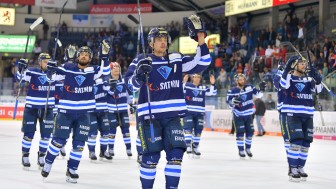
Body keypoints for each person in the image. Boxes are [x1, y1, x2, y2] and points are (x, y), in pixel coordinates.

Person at [124, 15, 210, 189]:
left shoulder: (176, 58)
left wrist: (200, 39)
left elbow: (202, 62)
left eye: (165, 39)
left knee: (176, 156)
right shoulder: (141, 60)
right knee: (150, 159)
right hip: (150, 117)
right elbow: (129, 86)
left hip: (173, 116)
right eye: (158, 39)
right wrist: (139, 75)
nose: (163, 42)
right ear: (150, 43)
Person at [41, 40, 110, 183]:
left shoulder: (93, 71)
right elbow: (51, 78)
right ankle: (48, 162)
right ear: (77, 56)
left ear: (90, 58)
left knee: (79, 145)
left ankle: (72, 169)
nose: (84, 56)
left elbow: (106, 71)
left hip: (84, 114)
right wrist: (50, 70)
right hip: (65, 113)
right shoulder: (68, 67)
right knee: (58, 141)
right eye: (82, 54)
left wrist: (105, 56)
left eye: (87, 55)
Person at [280, 56, 323, 182]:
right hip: (293, 114)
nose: (304, 65)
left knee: (306, 143)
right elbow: (283, 84)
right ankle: (292, 168)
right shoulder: (289, 77)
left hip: (308, 115)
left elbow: (318, 90)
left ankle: (300, 167)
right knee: (296, 141)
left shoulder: (309, 79)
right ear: (294, 65)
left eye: (305, 63)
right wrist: (287, 68)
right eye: (301, 63)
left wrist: (318, 80)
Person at [17, 53, 55, 170]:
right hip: (31, 108)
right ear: (39, 62)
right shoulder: (33, 71)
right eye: (44, 61)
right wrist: (21, 68)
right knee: (28, 134)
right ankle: (25, 155)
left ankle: (41, 156)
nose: (47, 63)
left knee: (46, 136)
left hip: (47, 109)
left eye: (48, 61)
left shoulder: (55, 73)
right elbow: (21, 77)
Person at [226, 73, 265, 158]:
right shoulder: (232, 91)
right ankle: (241, 150)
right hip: (238, 115)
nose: (242, 81)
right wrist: (232, 102)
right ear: (236, 81)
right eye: (240, 80)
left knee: (250, 132)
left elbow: (259, 95)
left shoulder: (249, 87)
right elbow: (228, 103)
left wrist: (262, 89)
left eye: (243, 79)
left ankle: (248, 148)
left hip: (249, 115)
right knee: (240, 133)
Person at [182, 73, 217, 157]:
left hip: (200, 113)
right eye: (195, 77)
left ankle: (195, 146)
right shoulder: (187, 85)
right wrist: (183, 82)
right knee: (188, 128)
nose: (197, 79)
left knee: (198, 130)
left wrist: (213, 84)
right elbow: (180, 91)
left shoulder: (203, 87)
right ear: (192, 78)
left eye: (198, 77)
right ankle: (188, 146)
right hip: (188, 112)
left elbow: (213, 93)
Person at [107, 62, 133, 158]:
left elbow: (129, 94)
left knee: (126, 130)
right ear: (110, 70)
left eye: (118, 67)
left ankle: (129, 148)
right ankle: (110, 148)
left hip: (122, 110)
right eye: (114, 67)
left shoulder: (124, 81)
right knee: (112, 130)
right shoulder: (107, 81)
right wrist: (111, 88)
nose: (116, 69)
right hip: (111, 111)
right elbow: (106, 94)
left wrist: (131, 105)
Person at [87, 77, 111, 161]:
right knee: (93, 133)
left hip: (103, 110)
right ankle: (91, 152)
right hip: (91, 111)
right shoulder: (86, 81)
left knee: (106, 132)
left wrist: (107, 83)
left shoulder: (102, 81)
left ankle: (103, 151)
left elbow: (110, 91)